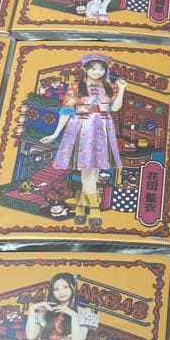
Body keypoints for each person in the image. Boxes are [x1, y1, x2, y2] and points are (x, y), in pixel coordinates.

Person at [41, 53, 127, 229]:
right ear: (85, 69)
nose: (97, 72)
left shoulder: (110, 87)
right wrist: (55, 134)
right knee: (88, 170)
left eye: (101, 69)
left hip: (103, 127)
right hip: (83, 126)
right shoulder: (75, 87)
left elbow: (115, 108)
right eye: (93, 68)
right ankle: (94, 209)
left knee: (93, 171)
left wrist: (122, 89)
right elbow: (67, 110)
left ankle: (81, 204)